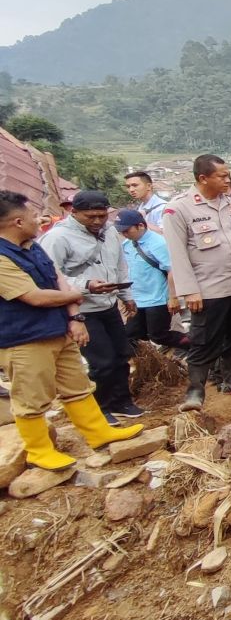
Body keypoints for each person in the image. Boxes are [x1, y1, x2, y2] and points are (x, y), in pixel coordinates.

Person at [0, 191, 144, 471]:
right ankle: (39, 451)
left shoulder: (32, 246)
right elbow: (35, 297)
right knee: (31, 397)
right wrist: (81, 292)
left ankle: (98, 432)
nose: (39, 220)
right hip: (25, 338)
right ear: (17, 221)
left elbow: (59, 280)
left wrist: (75, 316)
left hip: (58, 328)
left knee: (77, 386)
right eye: (32, 216)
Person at [163, 154, 231, 411]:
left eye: (228, 175)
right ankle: (195, 392)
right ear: (203, 178)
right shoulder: (179, 209)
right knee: (204, 339)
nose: (227, 180)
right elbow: (177, 255)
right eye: (222, 176)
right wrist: (189, 291)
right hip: (209, 288)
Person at [40, 190, 145, 421]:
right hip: (82, 310)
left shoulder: (109, 232)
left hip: (108, 305)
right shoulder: (57, 238)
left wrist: (126, 295)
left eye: (101, 215)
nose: (97, 221)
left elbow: (119, 265)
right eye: (90, 217)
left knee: (121, 355)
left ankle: (122, 401)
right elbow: (48, 276)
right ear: (74, 212)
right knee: (102, 361)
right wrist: (86, 285)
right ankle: (102, 407)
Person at [115, 209, 188, 351]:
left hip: (158, 298)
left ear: (140, 226)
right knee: (131, 335)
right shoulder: (127, 245)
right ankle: (149, 366)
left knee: (159, 335)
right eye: (121, 231)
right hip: (138, 299)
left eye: (127, 230)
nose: (124, 234)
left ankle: (199, 347)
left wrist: (173, 298)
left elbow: (172, 270)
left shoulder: (158, 243)